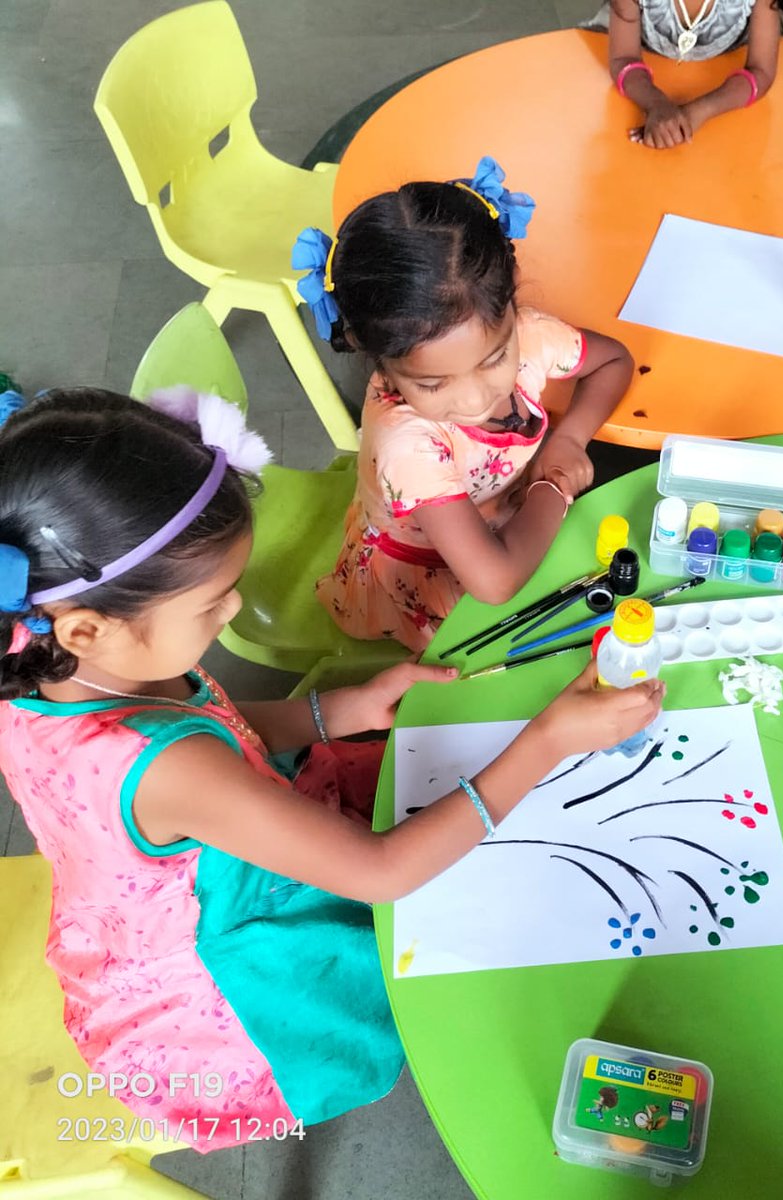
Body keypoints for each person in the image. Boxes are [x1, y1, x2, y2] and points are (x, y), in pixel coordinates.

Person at [0, 388, 664, 1148]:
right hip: (227, 999)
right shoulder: (172, 771)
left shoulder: (44, 669)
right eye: (213, 606)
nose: (232, 612)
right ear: (88, 626)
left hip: (130, 912)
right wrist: (548, 739)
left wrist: (339, 710)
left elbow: (217, 721)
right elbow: (381, 872)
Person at [295, 157, 633, 651]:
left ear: (512, 300)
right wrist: (553, 486)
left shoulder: (529, 335)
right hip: (427, 579)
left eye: (495, 357)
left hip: (506, 525)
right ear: (384, 368)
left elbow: (615, 361)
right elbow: (494, 583)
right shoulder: (408, 443)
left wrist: (570, 439)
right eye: (434, 384)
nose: (477, 398)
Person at [593, 0, 783, 148]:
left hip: (726, 60)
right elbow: (622, 57)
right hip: (638, 48)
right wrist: (656, 103)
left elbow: (761, 71)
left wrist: (694, 113)